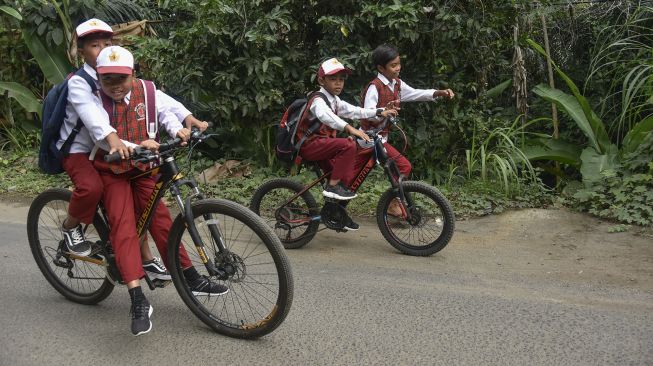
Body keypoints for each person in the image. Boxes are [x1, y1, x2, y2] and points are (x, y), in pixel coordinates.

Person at [92, 45, 228, 335]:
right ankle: (137, 297)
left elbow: (163, 112)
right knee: (124, 226)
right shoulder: (94, 99)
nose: (115, 86)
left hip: (143, 169)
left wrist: (177, 128)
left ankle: (190, 277)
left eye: (121, 78)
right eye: (107, 80)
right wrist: (136, 146)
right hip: (113, 171)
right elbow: (100, 132)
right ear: (99, 79)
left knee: (162, 219)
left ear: (133, 74)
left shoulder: (147, 90)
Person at [58, 19, 206, 280]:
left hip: (122, 149)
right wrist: (116, 141)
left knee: (148, 206)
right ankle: (71, 227)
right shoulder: (81, 83)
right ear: (81, 51)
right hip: (82, 148)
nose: (102, 49)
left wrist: (185, 117)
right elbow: (95, 122)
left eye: (107, 43)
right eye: (95, 45)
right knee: (92, 189)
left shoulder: (119, 71)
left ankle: (151, 261)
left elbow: (154, 97)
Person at [296, 58, 397, 230]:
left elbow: (354, 111)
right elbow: (325, 116)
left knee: (345, 175)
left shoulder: (334, 100)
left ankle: (337, 214)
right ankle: (332, 187)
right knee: (348, 145)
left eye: (341, 79)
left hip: (322, 145)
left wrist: (380, 111)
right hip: (309, 145)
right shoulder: (318, 100)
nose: (338, 83)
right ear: (321, 81)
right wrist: (350, 129)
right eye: (333, 79)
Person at [355, 44, 455, 216]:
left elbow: (415, 93)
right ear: (381, 68)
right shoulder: (375, 87)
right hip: (369, 139)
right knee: (399, 166)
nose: (398, 68)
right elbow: (368, 114)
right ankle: (391, 204)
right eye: (393, 66)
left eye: (398, 64)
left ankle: (392, 204)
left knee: (400, 167)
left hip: (380, 140)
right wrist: (382, 112)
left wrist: (438, 93)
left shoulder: (397, 85)